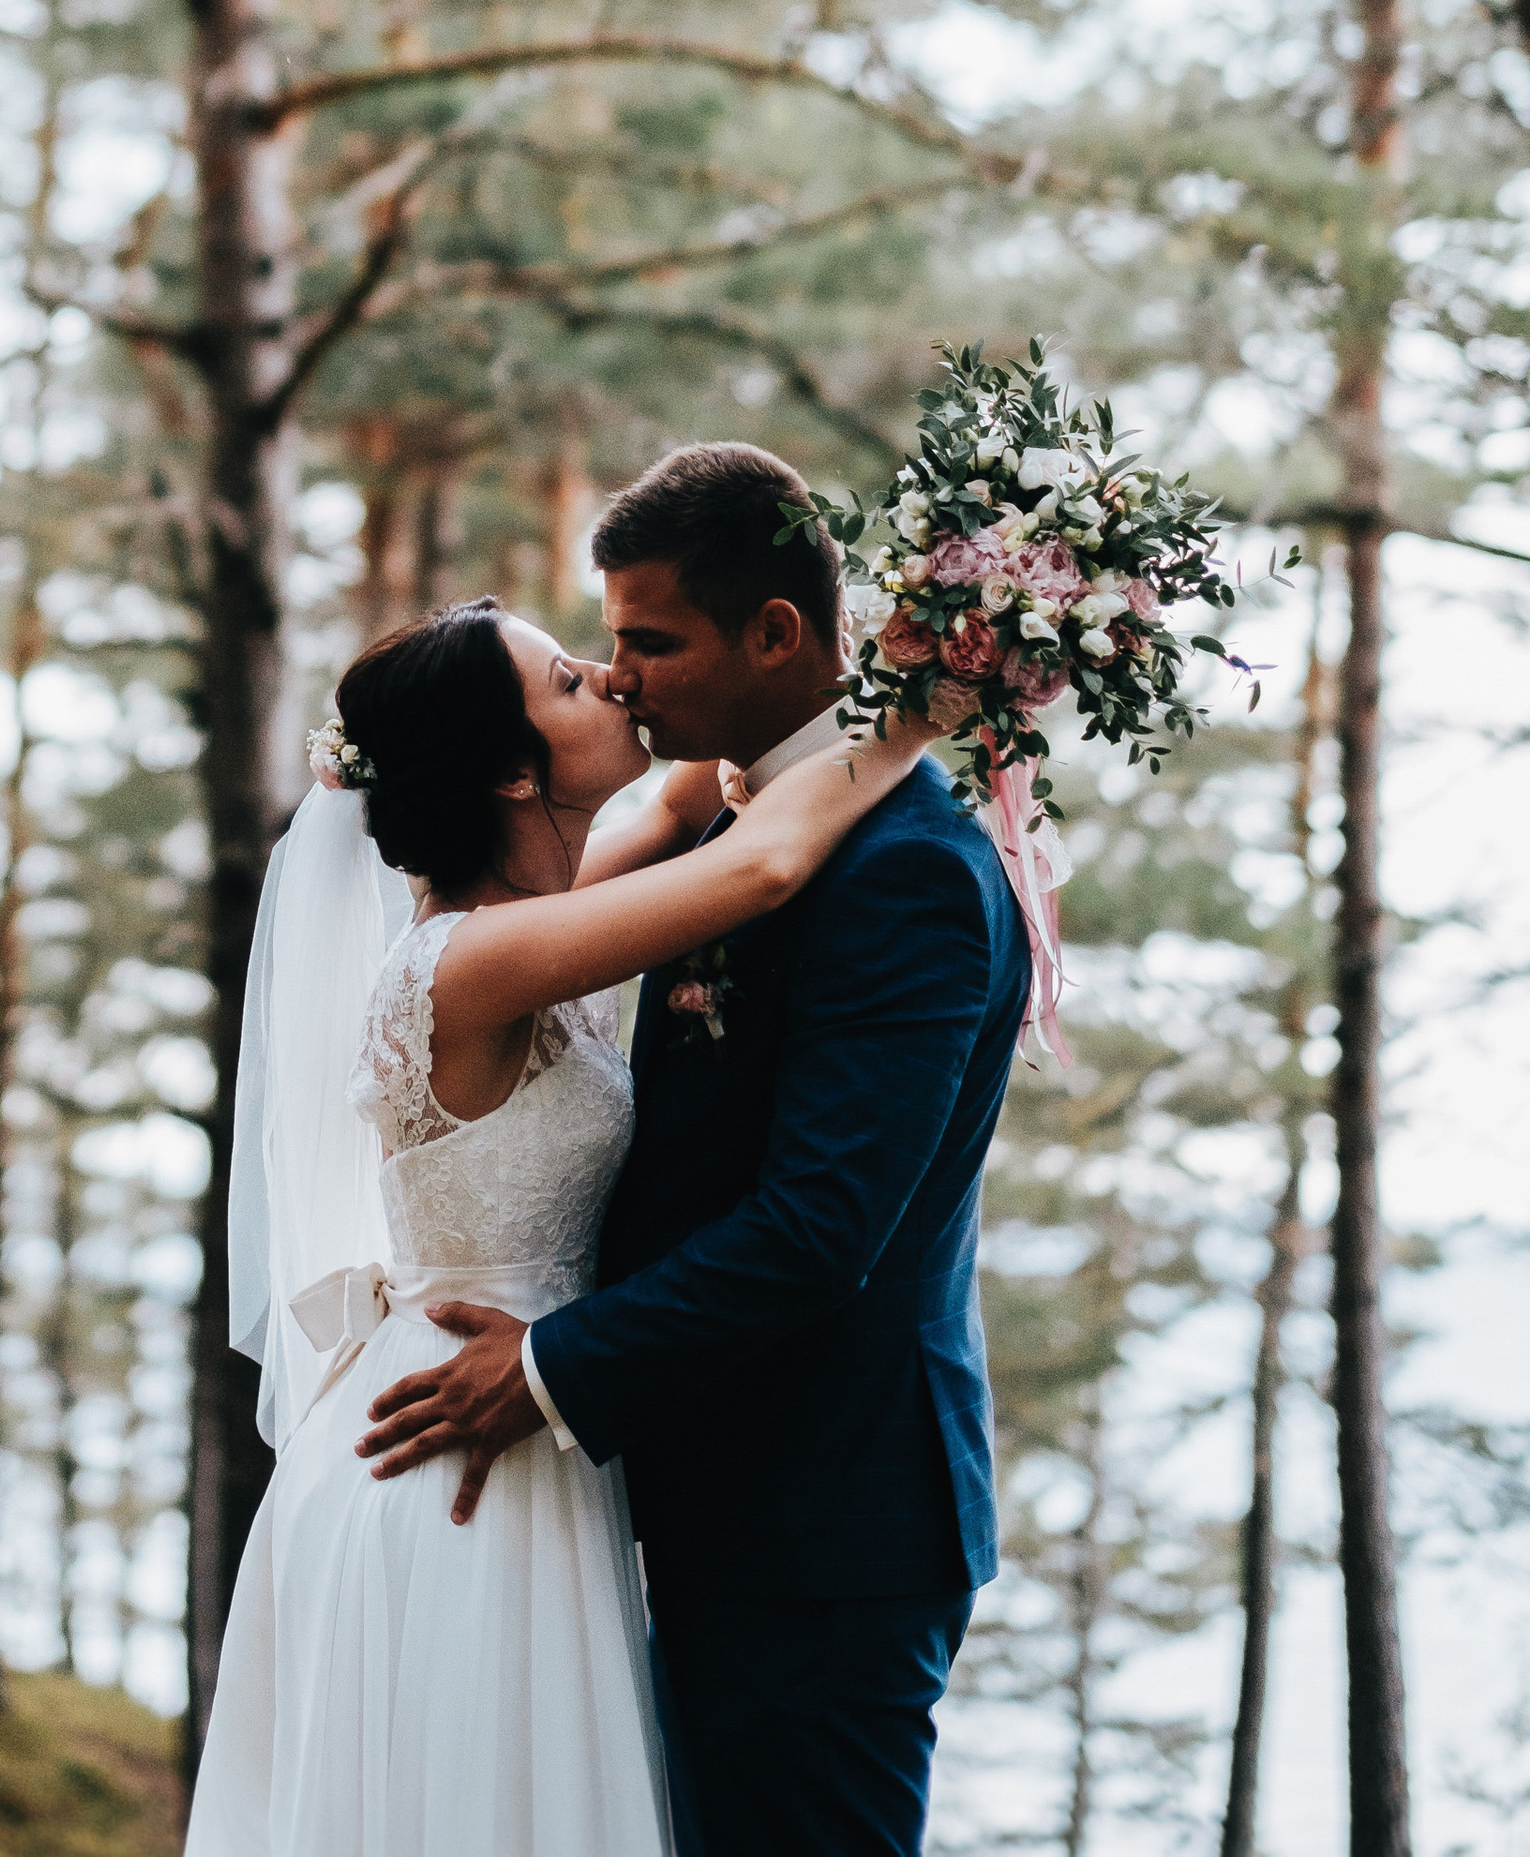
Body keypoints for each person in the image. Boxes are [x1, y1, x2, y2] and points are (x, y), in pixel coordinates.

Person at [186, 542, 932, 1857]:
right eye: (574, 680)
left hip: (528, 1416)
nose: (614, 679)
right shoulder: (466, 963)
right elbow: (760, 867)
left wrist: (906, 623)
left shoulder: (538, 910)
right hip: (462, 1453)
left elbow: (697, 793)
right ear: (514, 772)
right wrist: (931, 703)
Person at [356, 442, 1032, 1857]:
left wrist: (552, 1368)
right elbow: (744, 856)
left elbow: (819, 1227)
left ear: (774, 634)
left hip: (820, 1523)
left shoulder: (901, 869)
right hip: (661, 1495)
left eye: (648, 644)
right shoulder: (716, 830)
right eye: (596, 657)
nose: (620, 681)